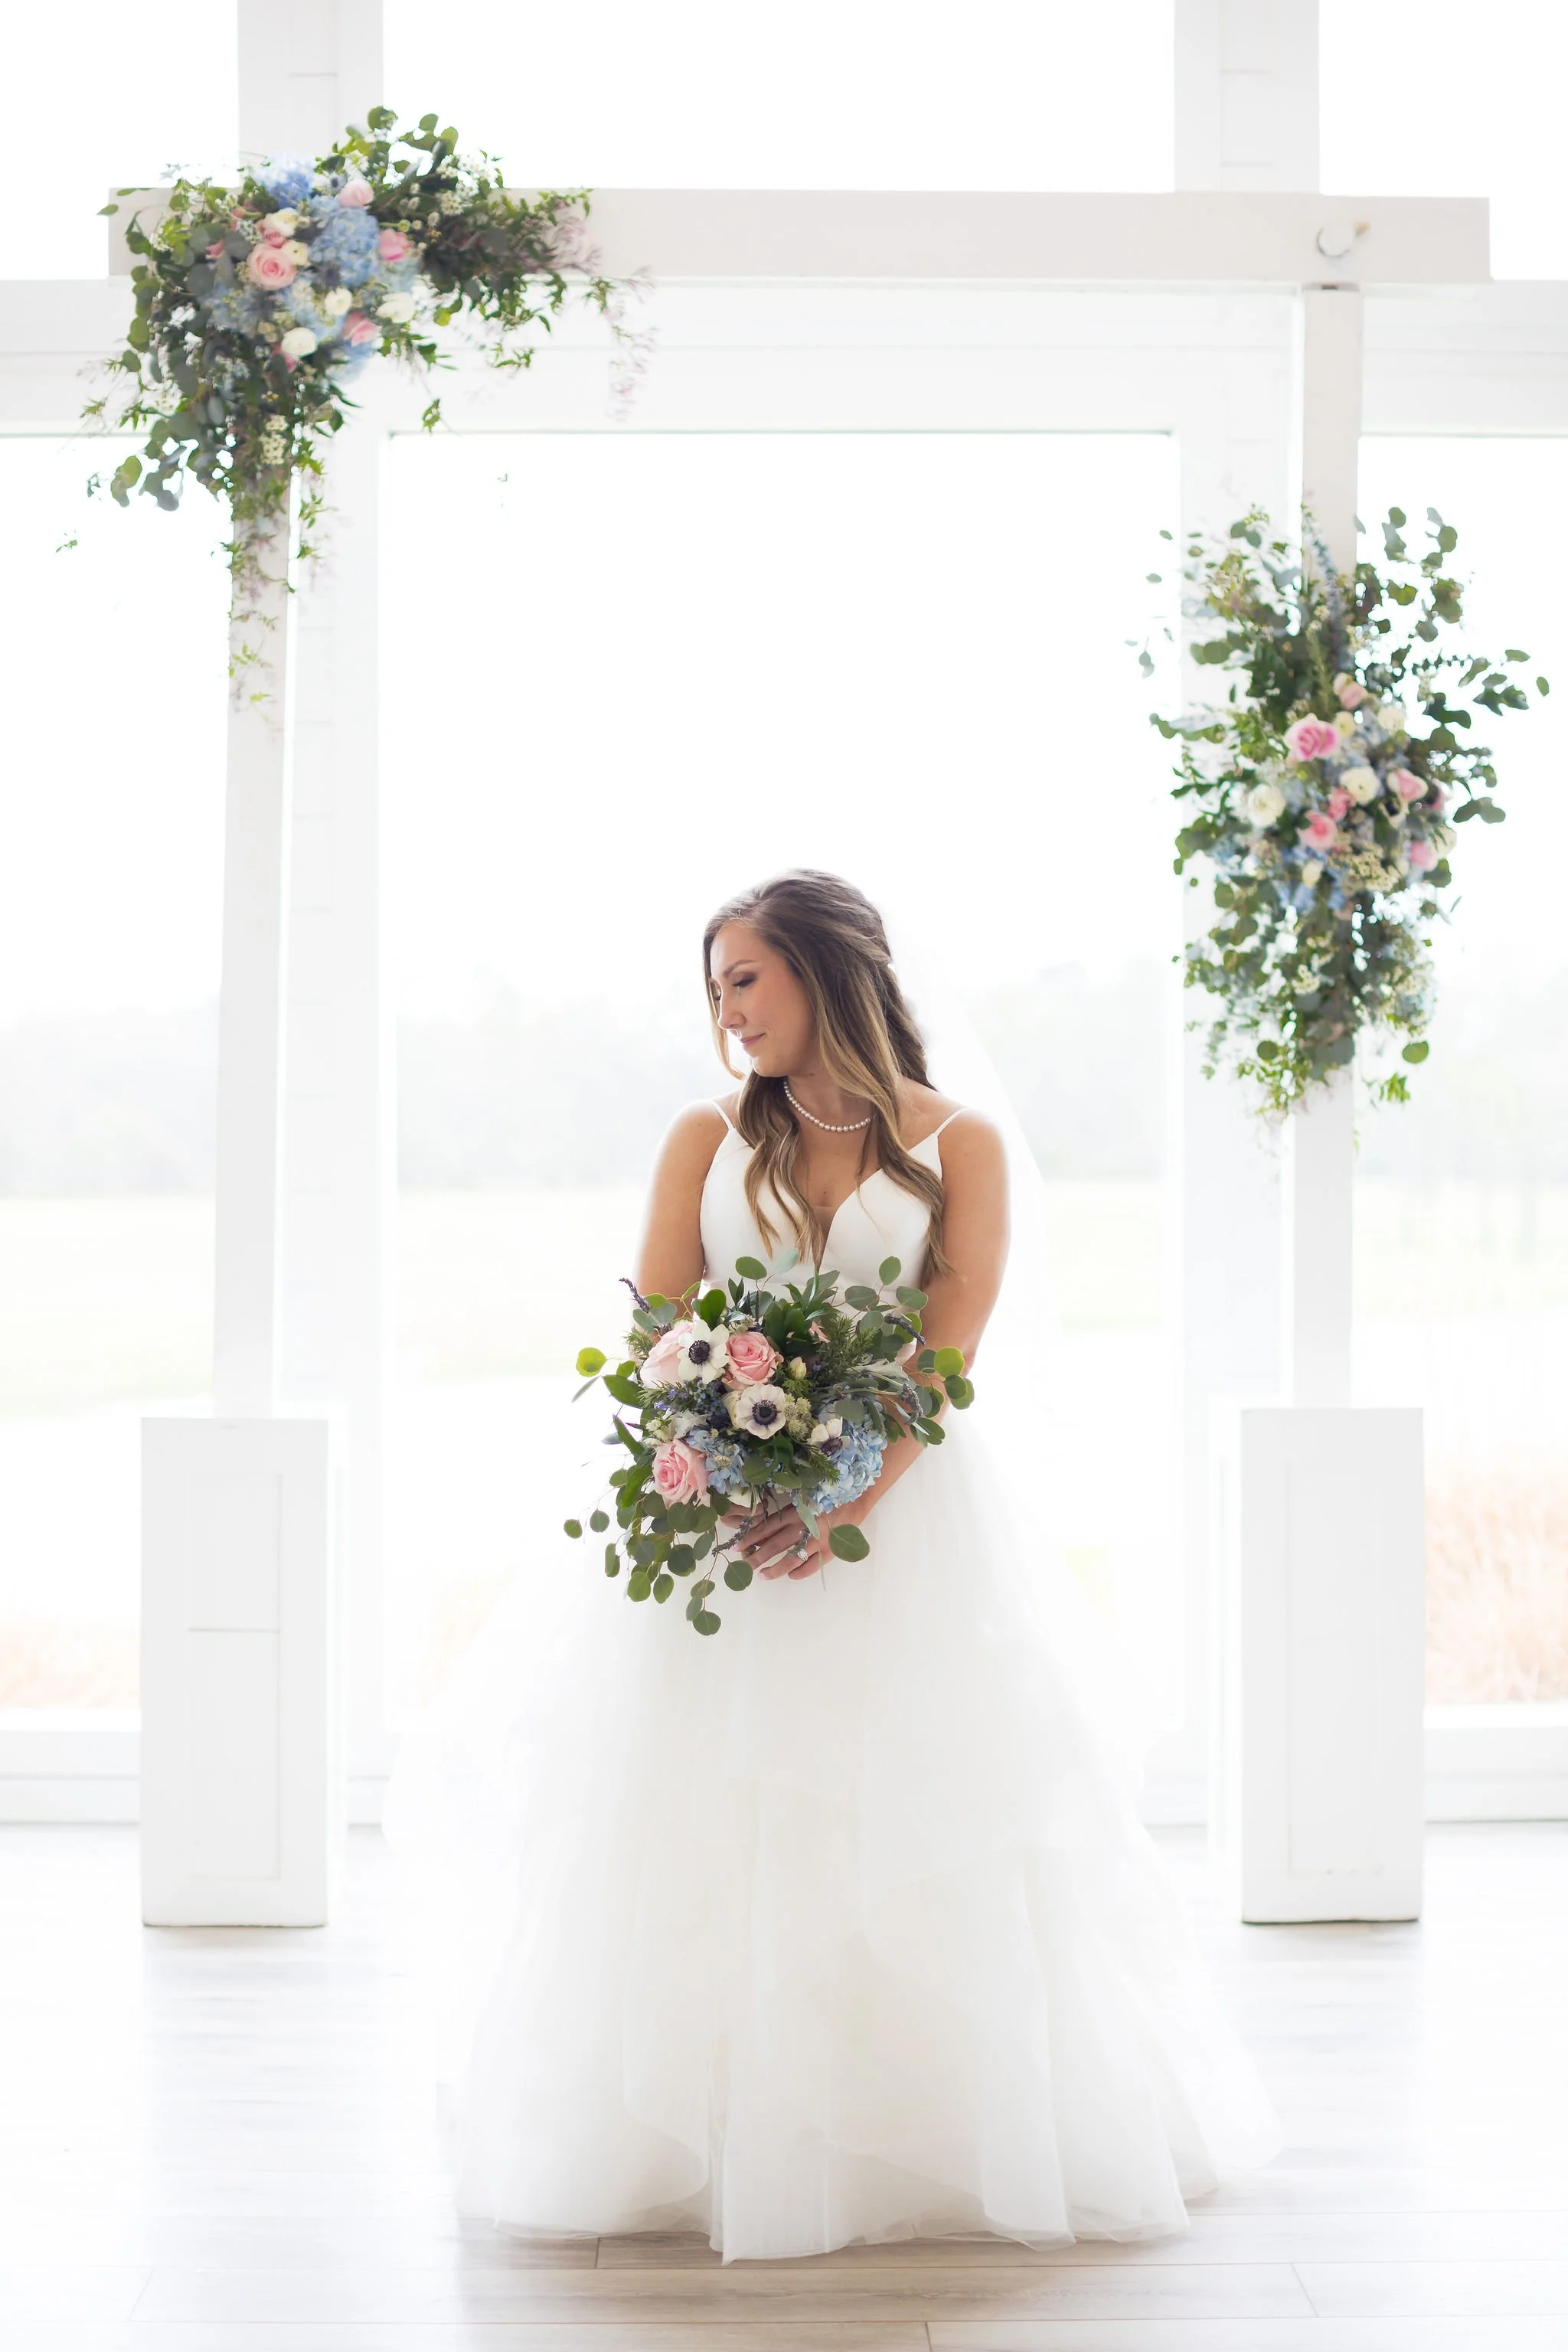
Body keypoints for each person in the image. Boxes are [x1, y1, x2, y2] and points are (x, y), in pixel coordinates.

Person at [383, 867, 1281, 2262]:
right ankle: (711, 2141)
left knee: (911, 1815)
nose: (728, 1012)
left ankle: (909, 2137)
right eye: (718, 987)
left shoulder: (956, 1145)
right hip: (725, 1531)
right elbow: (659, 1323)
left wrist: (847, 1483)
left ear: (824, 973)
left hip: (904, 1524)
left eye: (748, 978)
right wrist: (735, 1461)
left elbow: (949, 1338)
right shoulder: (702, 1135)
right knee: (702, 1820)